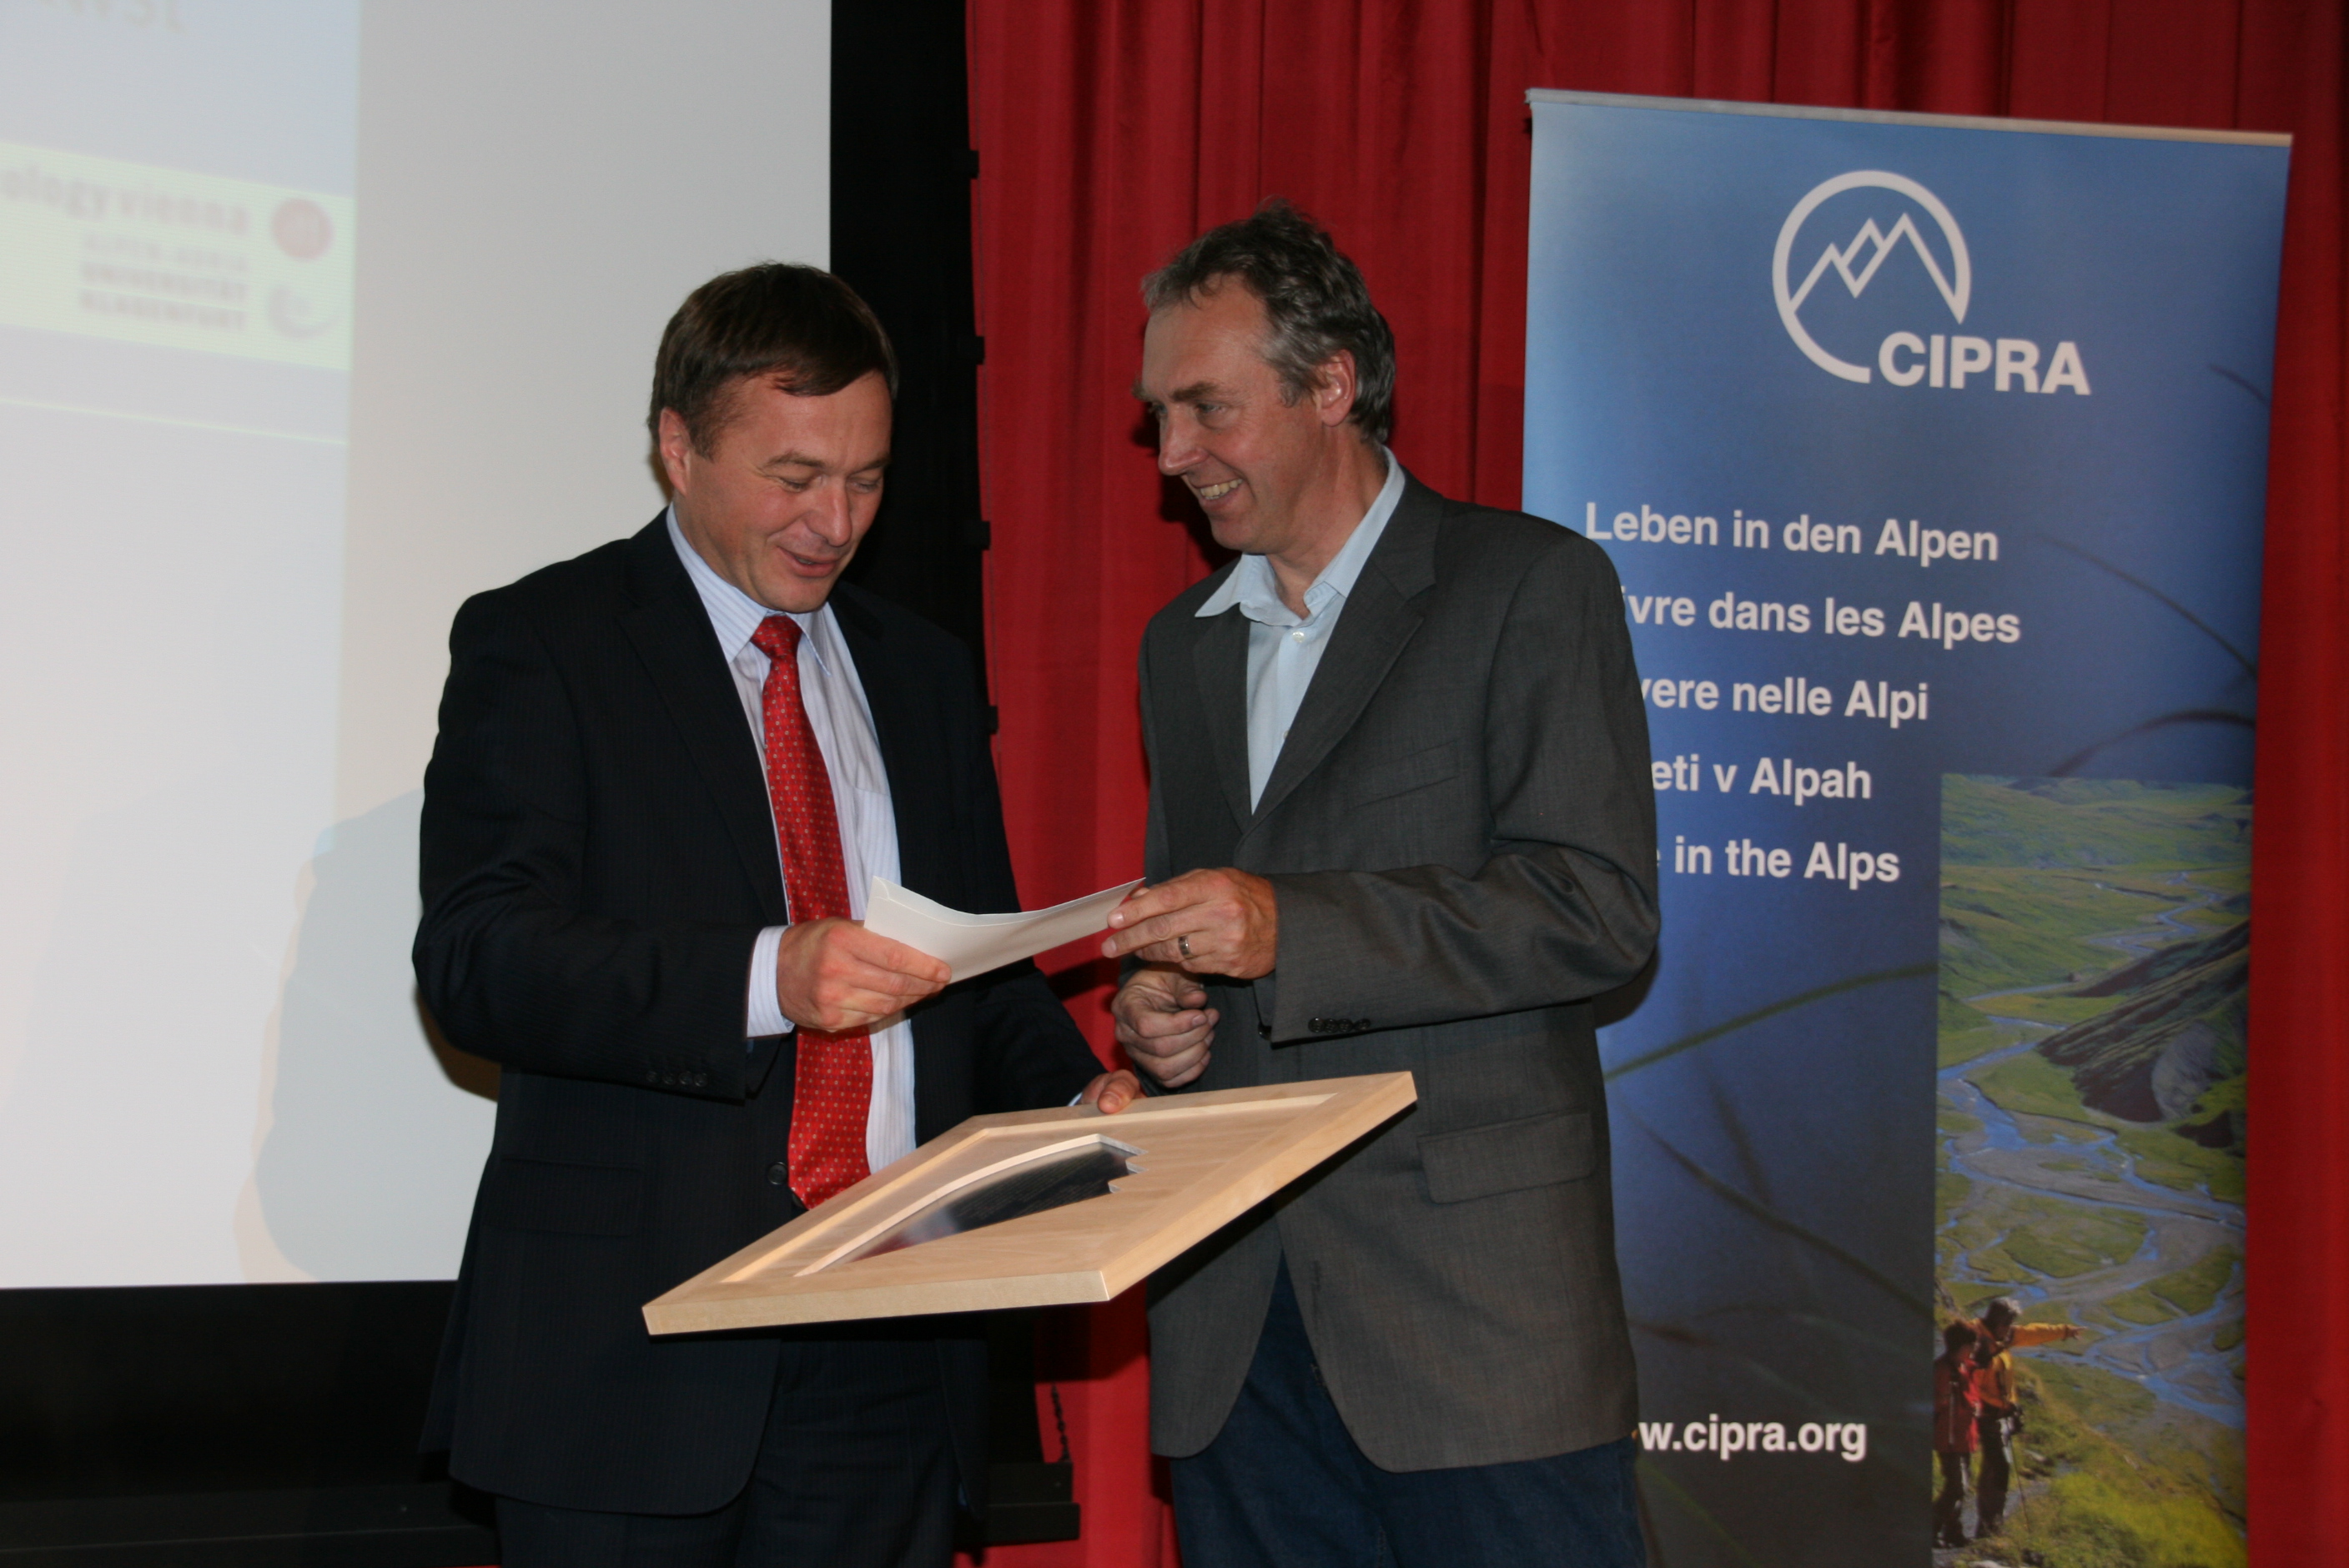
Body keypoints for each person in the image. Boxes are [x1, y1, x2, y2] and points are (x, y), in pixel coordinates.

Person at [413, 262, 1134, 1568]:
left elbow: (978, 970)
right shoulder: (548, 642)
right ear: (678, 447)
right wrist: (768, 979)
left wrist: (1078, 1106)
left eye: (865, 480)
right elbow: (480, 959)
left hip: (896, 1350)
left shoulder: (921, 675)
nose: (834, 522)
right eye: (794, 477)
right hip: (633, 1359)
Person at [1104, 200, 1661, 1567]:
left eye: (1207, 408)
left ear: (1331, 385)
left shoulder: (1528, 586)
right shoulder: (1180, 646)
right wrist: (1159, 1004)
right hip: (1235, 1327)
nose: (1173, 455)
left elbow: (1596, 910)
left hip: (1474, 1327)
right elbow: (1203, 919)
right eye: (1160, 415)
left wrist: (1289, 932)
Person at [1964, 1295, 2080, 1536]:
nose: (2011, 1329)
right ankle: (1990, 1527)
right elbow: (1972, 1386)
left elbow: (2030, 1333)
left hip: (2000, 1414)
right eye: (2007, 1324)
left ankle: (1988, 1525)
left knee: (1994, 1467)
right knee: (2000, 1466)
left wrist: (2065, 1331)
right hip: (1988, 1415)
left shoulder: (2000, 1336)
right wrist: (2001, 1404)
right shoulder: (1978, 1345)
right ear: (1997, 1321)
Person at [1933, 1320, 1984, 1546]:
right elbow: (1936, 1404)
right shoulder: (1942, 1370)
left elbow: (1973, 1397)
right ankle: (1931, 1527)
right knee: (1957, 1486)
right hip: (1949, 1437)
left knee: (1961, 1486)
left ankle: (1953, 1531)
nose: (1974, 1348)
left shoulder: (1967, 1368)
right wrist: (1944, 1398)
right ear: (1961, 1346)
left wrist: (1976, 1407)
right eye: (1972, 1344)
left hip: (1964, 1436)